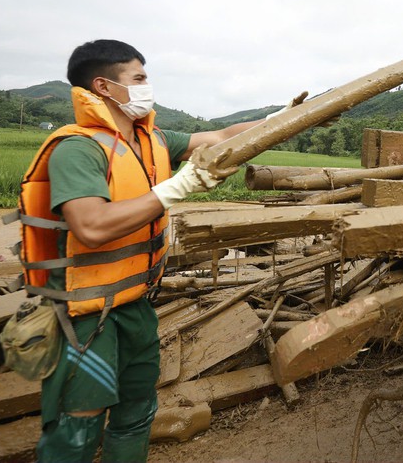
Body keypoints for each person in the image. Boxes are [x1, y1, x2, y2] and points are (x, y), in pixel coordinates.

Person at [15, 40, 300, 462]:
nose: (148, 87)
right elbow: (91, 226)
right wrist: (178, 186)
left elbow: (222, 136)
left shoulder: (153, 140)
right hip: (85, 316)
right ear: (104, 86)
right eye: (139, 78)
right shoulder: (77, 148)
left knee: (137, 412)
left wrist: (283, 119)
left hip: (136, 306)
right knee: (79, 425)